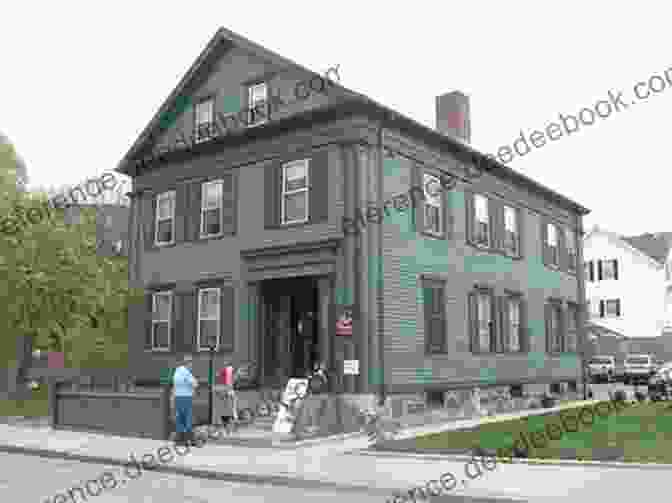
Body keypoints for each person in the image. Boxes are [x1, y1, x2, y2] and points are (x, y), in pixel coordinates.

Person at [173, 354, 199, 446]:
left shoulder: (177, 370)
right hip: (186, 398)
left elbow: (175, 384)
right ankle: (191, 440)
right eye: (191, 363)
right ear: (188, 363)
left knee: (180, 419)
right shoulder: (186, 372)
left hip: (177, 397)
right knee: (188, 419)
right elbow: (195, 384)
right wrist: (193, 387)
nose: (192, 365)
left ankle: (179, 440)